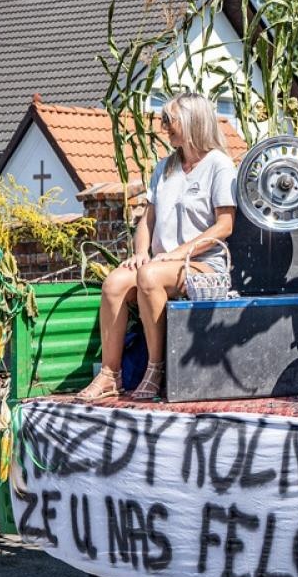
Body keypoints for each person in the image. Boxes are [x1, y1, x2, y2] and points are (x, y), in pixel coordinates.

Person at [79, 92, 236, 402]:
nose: (163, 125)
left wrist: (179, 253)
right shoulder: (165, 167)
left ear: (193, 121)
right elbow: (146, 221)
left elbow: (225, 226)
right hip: (161, 265)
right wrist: (140, 253)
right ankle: (110, 374)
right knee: (114, 283)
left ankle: (156, 369)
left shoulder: (220, 165)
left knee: (149, 278)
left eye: (169, 119)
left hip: (204, 265)